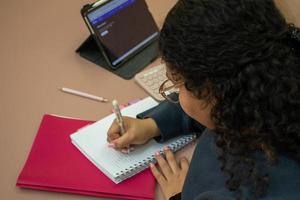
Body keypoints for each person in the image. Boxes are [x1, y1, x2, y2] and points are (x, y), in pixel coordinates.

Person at [107, 0, 300, 199]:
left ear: (213, 91)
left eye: (178, 84)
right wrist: (152, 124)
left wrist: (179, 195)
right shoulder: (276, 85)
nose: (178, 92)